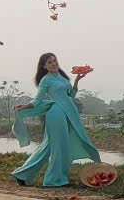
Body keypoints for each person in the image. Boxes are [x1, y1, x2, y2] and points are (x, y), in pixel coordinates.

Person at [10, 53, 100, 187]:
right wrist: (24, 106)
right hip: (56, 115)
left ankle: (22, 175)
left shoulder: (62, 78)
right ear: (44, 66)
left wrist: (77, 80)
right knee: (59, 148)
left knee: (47, 147)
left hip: (67, 114)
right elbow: (38, 99)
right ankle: (54, 179)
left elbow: (71, 95)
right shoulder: (46, 80)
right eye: (49, 62)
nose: (54, 64)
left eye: (54, 61)